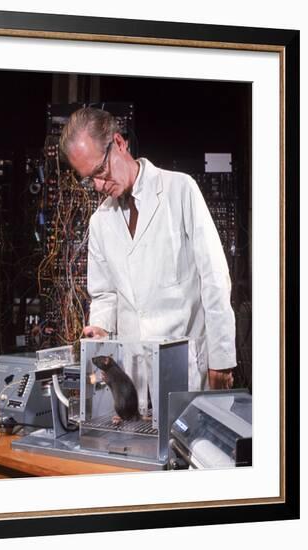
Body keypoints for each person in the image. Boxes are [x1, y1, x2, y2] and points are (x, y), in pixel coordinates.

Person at [59, 107, 236, 408]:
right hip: (133, 374)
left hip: (188, 365)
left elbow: (214, 278)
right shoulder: (100, 221)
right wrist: (100, 326)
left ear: (119, 143)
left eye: (100, 171)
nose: (99, 186)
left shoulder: (179, 189)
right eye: (90, 179)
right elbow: (104, 294)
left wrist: (221, 356)